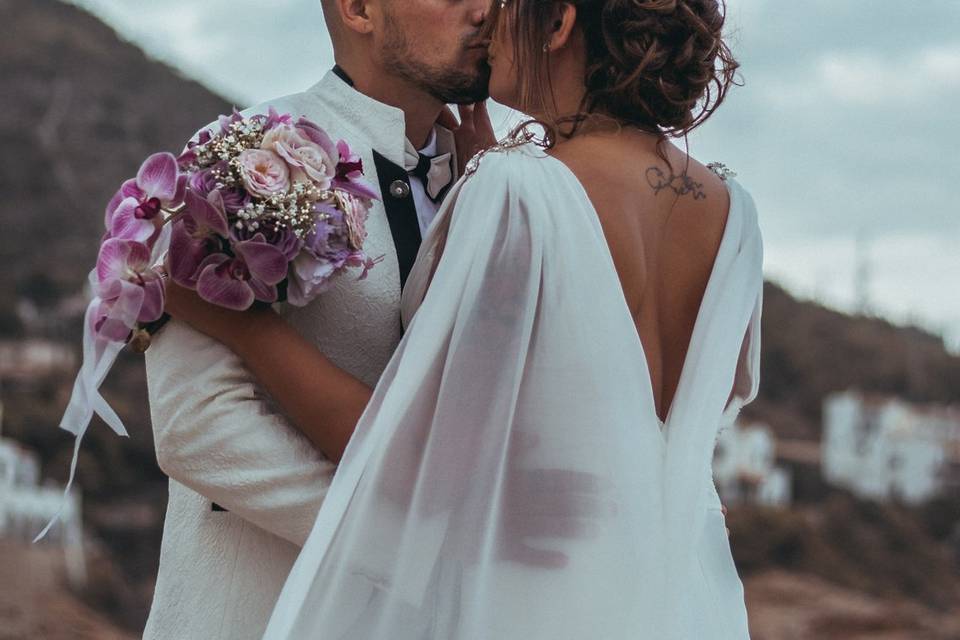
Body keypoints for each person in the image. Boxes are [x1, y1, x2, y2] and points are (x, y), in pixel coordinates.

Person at [165, 0, 759, 638]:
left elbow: (419, 456)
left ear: (557, 25)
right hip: (663, 595)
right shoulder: (733, 215)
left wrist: (248, 328)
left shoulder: (512, 189)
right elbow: (195, 426)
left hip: (523, 602)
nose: (490, 12)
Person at [141, 1, 509, 638]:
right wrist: (407, 549)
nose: (487, 10)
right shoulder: (245, 151)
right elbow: (194, 426)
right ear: (360, 9)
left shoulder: (490, 182)